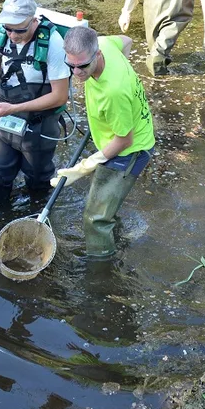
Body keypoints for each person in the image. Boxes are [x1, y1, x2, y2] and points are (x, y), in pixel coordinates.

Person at [55, 27, 155, 260]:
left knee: (95, 219)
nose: (77, 72)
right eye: (71, 66)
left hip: (130, 150)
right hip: (120, 130)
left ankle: (101, 268)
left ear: (97, 54)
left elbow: (125, 139)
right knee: (104, 207)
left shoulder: (113, 92)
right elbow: (127, 41)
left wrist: (86, 166)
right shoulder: (105, 44)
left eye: (83, 66)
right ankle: (117, 237)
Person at [0, 0, 71, 204]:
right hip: (4, 114)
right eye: (9, 29)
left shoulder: (53, 43)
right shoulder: (1, 33)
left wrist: (13, 108)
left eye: (20, 29)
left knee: (38, 180)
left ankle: (35, 218)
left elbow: (60, 96)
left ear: (34, 21)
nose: (13, 35)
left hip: (39, 122)